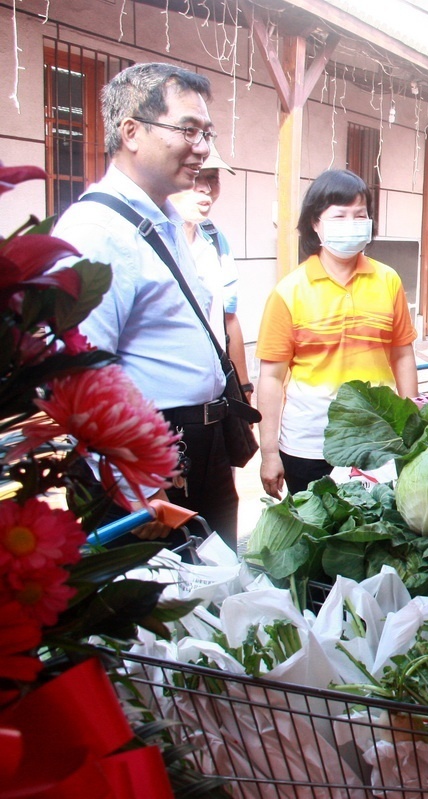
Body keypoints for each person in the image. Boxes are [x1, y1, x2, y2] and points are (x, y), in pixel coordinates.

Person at [53, 62, 241, 547]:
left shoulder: (162, 220)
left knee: (216, 600)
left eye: (207, 132)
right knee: (165, 611)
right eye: (188, 129)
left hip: (199, 447)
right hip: (146, 465)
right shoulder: (96, 231)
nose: (202, 146)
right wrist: (135, 486)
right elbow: (79, 374)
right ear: (131, 131)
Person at [256, 169, 419, 498]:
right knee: (317, 535)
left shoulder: (388, 281)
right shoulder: (289, 291)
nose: (352, 222)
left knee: (378, 532)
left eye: (360, 215)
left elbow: (402, 355)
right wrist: (269, 453)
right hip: (309, 444)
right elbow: (271, 377)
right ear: (315, 223)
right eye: (339, 215)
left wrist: (411, 425)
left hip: (377, 439)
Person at [168, 147, 251, 398]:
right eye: (195, 177)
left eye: (212, 177)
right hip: (169, 401)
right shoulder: (151, 243)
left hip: (216, 394)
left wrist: (244, 389)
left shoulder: (215, 240)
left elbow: (229, 320)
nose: (205, 188)